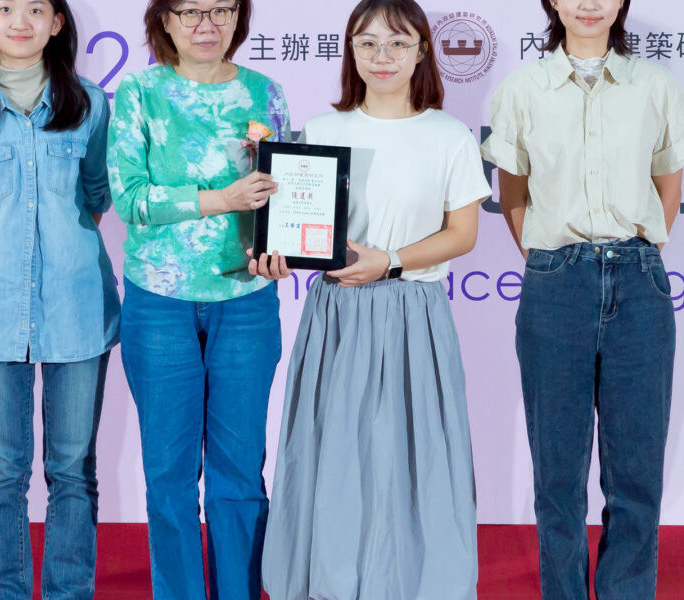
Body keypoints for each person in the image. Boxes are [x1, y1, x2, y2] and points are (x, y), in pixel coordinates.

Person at [255, 1, 488, 597]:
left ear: (422, 51)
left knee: (414, 455)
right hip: (337, 312)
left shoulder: (449, 136)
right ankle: (331, 582)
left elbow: (463, 234)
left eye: (398, 43)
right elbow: (298, 227)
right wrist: (277, 254)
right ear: (351, 51)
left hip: (414, 313)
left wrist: (390, 260)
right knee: (336, 455)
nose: (382, 57)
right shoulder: (321, 131)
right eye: (368, 43)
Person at [483, 0, 684, 597]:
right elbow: (513, 195)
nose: (588, 3)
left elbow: (668, 188)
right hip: (556, 282)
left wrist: (633, 252)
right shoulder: (522, 90)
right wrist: (552, 262)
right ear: (552, 2)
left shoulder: (654, 87)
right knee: (557, 474)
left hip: (639, 281)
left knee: (636, 474)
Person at [0, 0, 118, 598]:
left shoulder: (89, 104)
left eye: (36, 8)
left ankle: (69, 591)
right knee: (1, 472)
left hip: (78, 308)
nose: (20, 21)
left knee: (73, 471)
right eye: (5, 7)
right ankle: (5, 591)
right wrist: (2, 265)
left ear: (57, 22)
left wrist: (59, 254)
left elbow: (96, 194)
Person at [107, 0, 289, 597]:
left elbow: (285, 192)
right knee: (169, 474)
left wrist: (283, 246)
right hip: (159, 299)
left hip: (247, 297)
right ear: (164, 20)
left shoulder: (265, 92)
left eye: (220, 10)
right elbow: (131, 198)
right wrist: (222, 200)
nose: (206, 25)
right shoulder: (139, 92)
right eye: (189, 11)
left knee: (241, 472)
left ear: (239, 16)